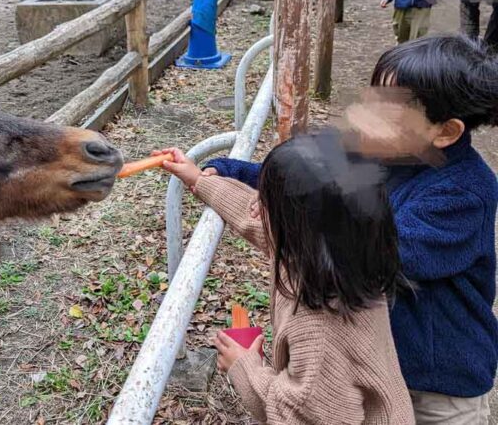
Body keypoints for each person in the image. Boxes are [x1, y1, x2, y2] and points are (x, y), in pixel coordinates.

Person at [204, 35, 498, 424]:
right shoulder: (383, 150)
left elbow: (379, 252)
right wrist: (235, 174)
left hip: (435, 380)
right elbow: (306, 182)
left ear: (444, 132)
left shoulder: (464, 193)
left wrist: (289, 222)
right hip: (377, 358)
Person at [157, 132, 414, 424]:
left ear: (294, 225)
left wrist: (246, 368)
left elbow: (300, 417)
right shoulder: (342, 260)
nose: (255, 206)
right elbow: (254, 220)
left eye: (263, 201)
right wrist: (199, 180)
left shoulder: (321, 327)